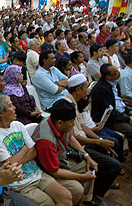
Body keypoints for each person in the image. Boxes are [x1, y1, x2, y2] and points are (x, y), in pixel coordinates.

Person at [0, 95, 72, 206]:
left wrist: (19, 158)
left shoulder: (17, 125)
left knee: (66, 196)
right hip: (20, 184)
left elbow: (34, 151)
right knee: (50, 203)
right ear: (0, 113)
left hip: (38, 174)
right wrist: (25, 147)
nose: (14, 108)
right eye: (10, 105)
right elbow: (10, 164)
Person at [63, 74, 122, 204]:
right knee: (114, 166)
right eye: (86, 88)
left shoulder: (75, 101)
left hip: (86, 141)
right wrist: (98, 141)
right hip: (79, 146)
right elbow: (75, 137)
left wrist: (99, 138)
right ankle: (96, 195)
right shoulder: (68, 105)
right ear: (78, 90)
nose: (88, 91)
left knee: (113, 142)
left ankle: (101, 180)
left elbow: (82, 126)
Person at [32, 99, 97, 206]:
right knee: (77, 189)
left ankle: (86, 200)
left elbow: (70, 138)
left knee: (89, 166)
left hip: (60, 160)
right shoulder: (46, 141)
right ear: (60, 123)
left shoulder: (58, 124)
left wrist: (87, 156)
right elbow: (55, 171)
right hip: (47, 171)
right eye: (71, 121)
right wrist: (82, 177)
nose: (73, 124)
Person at [91, 64, 132, 151]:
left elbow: (119, 101)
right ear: (108, 77)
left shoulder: (114, 83)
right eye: (116, 72)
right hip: (110, 120)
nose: (118, 73)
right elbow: (111, 112)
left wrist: (128, 111)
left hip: (120, 113)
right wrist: (128, 119)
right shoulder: (101, 89)